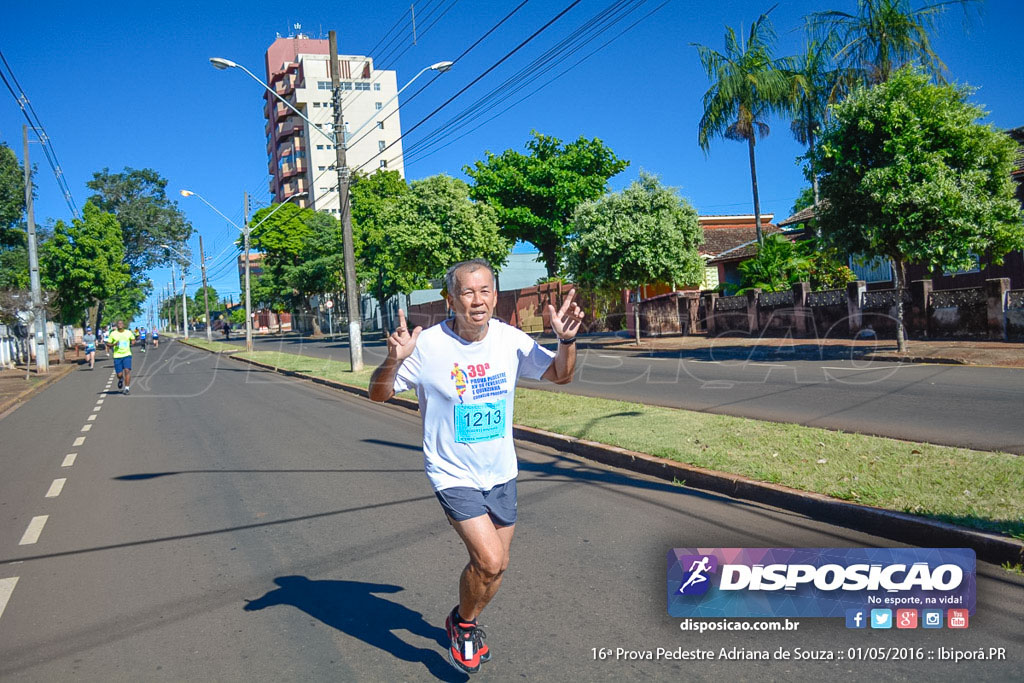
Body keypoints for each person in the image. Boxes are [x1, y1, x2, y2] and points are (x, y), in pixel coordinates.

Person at [368, 258, 583, 675]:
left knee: (498, 565)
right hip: (452, 472)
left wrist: (567, 342)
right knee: (487, 560)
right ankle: (465, 626)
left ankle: (460, 618)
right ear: (451, 299)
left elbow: (560, 375)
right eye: (467, 292)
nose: (478, 300)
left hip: (501, 471)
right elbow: (378, 394)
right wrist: (393, 360)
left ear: (495, 296)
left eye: (485, 291)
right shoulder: (427, 345)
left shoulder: (509, 339)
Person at [107, 320, 136, 394]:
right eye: (118, 323)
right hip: (117, 356)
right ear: (117, 325)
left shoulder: (128, 332)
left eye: (121, 323)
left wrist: (132, 342)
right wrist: (114, 344)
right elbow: (108, 343)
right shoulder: (113, 334)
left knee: (127, 371)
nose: (120, 325)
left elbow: (133, 339)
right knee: (119, 374)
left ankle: (127, 388)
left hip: (127, 355)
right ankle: (121, 379)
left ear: (123, 325)